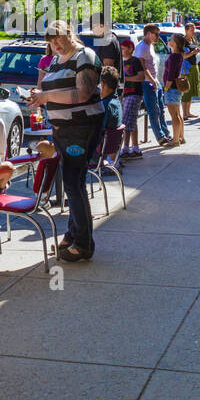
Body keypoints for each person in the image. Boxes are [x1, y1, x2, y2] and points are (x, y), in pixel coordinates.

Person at [28, 20, 104, 261]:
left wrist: (46, 96)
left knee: (73, 183)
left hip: (82, 127)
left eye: (58, 38)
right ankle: (73, 236)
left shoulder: (85, 56)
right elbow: (50, 90)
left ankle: (82, 243)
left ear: (70, 34)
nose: (55, 44)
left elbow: (83, 93)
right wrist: (39, 97)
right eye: (50, 41)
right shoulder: (54, 60)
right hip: (63, 128)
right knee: (73, 182)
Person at [133, 23, 170, 147]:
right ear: (148, 34)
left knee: (161, 110)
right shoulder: (141, 47)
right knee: (153, 111)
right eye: (156, 34)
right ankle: (160, 137)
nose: (158, 37)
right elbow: (142, 68)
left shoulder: (150, 46)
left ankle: (166, 133)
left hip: (155, 82)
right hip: (147, 83)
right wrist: (153, 81)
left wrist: (156, 82)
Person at [120, 36, 145, 159]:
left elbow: (141, 77)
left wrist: (126, 79)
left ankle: (125, 148)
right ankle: (135, 148)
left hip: (135, 93)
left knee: (126, 121)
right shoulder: (121, 62)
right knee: (132, 121)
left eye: (124, 48)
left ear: (131, 49)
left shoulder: (135, 61)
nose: (122, 51)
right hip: (125, 94)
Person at [161, 33, 186, 145]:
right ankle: (181, 137)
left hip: (172, 88)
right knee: (178, 114)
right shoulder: (179, 55)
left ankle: (175, 140)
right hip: (177, 88)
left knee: (174, 116)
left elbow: (171, 75)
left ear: (175, 43)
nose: (169, 40)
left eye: (171, 39)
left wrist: (166, 88)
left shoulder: (174, 56)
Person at [88, 12, 123, 95]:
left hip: (109, 90)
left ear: (101, 25)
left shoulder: (108, 41)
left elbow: (108, 71)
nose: (91, 30)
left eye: (92, 27)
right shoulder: (111, 38)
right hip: (111, 89)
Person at [98, 65, 123, 170]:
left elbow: (98, 130)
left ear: (102, 84)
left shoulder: (104, 105)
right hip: (111, 147)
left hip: (100, 150)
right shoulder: (116, 102)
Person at [182, 22, 200, 119]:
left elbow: (193, 51)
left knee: (191, 90)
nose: (193, 32)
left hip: (194, 66)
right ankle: (184, 113)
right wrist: (193, 52)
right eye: (191, 30)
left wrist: (198, 49)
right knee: (186, 90)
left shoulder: (192, 40)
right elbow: (183, 56)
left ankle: (188, 112)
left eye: (194, 29)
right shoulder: (182, 41)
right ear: (186, 30)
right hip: (186, 68)